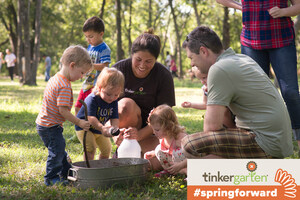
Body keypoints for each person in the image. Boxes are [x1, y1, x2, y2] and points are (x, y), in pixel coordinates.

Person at [181, 26, 293, 159]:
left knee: (189, 144)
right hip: (276, 140)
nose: (192, 64)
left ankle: (249, 172)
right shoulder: (242, 59)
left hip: (264, 142)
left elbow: (210, 127)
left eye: (191, 58)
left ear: (203, 51)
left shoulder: (219, 69)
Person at [216, 0, 300, 153]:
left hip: (281, 40)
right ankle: (254, 139)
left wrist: (283, 12)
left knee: (290, 92)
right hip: (251, 42)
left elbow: (298, 5)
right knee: (252, 93)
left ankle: (299, 139)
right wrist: (240, 6)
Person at [112, 30, 176, 170]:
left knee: (157, 163)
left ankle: (132, 153)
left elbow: (164, 117)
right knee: (125, 105)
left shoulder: (163, 75)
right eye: (138, 59)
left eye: (148, 61)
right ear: (132, 54)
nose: (142, 65)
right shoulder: (118, 70)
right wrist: (114, 133)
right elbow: (104, 108)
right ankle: (123, 149)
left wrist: (139, 135)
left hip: (151, 129)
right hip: (123, 125)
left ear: (156, 60)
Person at [36, 45, 92, 186]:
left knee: (59, 149)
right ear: (72, 65)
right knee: (56, 152)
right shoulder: (65, 86)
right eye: (81, 73)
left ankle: (66, 172)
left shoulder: (55, 78)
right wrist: (79, 122)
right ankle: (51, 178)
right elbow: (63, 111)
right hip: (50, 126)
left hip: (44, 124)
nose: (81, 77)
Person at [75, 67, 124, 160]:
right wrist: (102, 128)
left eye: (116, 95)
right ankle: (88, 170)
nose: (111, 98)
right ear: (100, 88)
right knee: (91, 148)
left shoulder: (113, 101)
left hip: (99, 129)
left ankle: (100, 168)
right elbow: (91, 118)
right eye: (108, 94)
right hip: (85, 128)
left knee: (107, 150)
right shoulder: (92, 99)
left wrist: (115, 128)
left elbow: (115, 118)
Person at [74, 16, 111, 116]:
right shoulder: (90, 47)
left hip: (96, 85)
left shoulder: (104, 49)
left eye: (91, 36)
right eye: (86, 36)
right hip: (87, 83)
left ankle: (91, 128)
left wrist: (91, 66)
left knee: (92, 108)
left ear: (101, 34)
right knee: (78, 106)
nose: (88, 39)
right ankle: (80, 128)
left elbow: (105, 66)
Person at [144, 105, 187, 177]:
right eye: (153, 129)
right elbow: (166, 150)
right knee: (158, 150)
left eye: (157, 130)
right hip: (175, 165)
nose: (154, 132)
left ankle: (187, 173)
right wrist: (153, 153)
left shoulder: (180, 138)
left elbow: (194, 156)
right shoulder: (162, 138)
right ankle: (170, 170)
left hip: (187, 164)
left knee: (177, 153)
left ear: (168, 127)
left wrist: (180, 165)